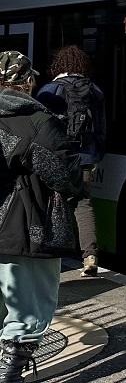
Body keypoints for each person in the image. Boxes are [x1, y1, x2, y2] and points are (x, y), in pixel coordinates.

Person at [0, 51, 83, 381]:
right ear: (27, 82)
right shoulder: (35, 120)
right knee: (26, 313)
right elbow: (65, 174)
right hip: (24, 228)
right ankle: (10, 373)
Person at [36, 45, 106, 278]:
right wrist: (96, 155)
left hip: (57, 157)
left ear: (59, 65)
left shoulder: (50, 89)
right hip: (86, 158)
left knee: (53, 204)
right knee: (83, 204)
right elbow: (102, 128)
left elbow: (41, 128)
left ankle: (53, 255)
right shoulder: (95, 91)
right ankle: (90, 256)